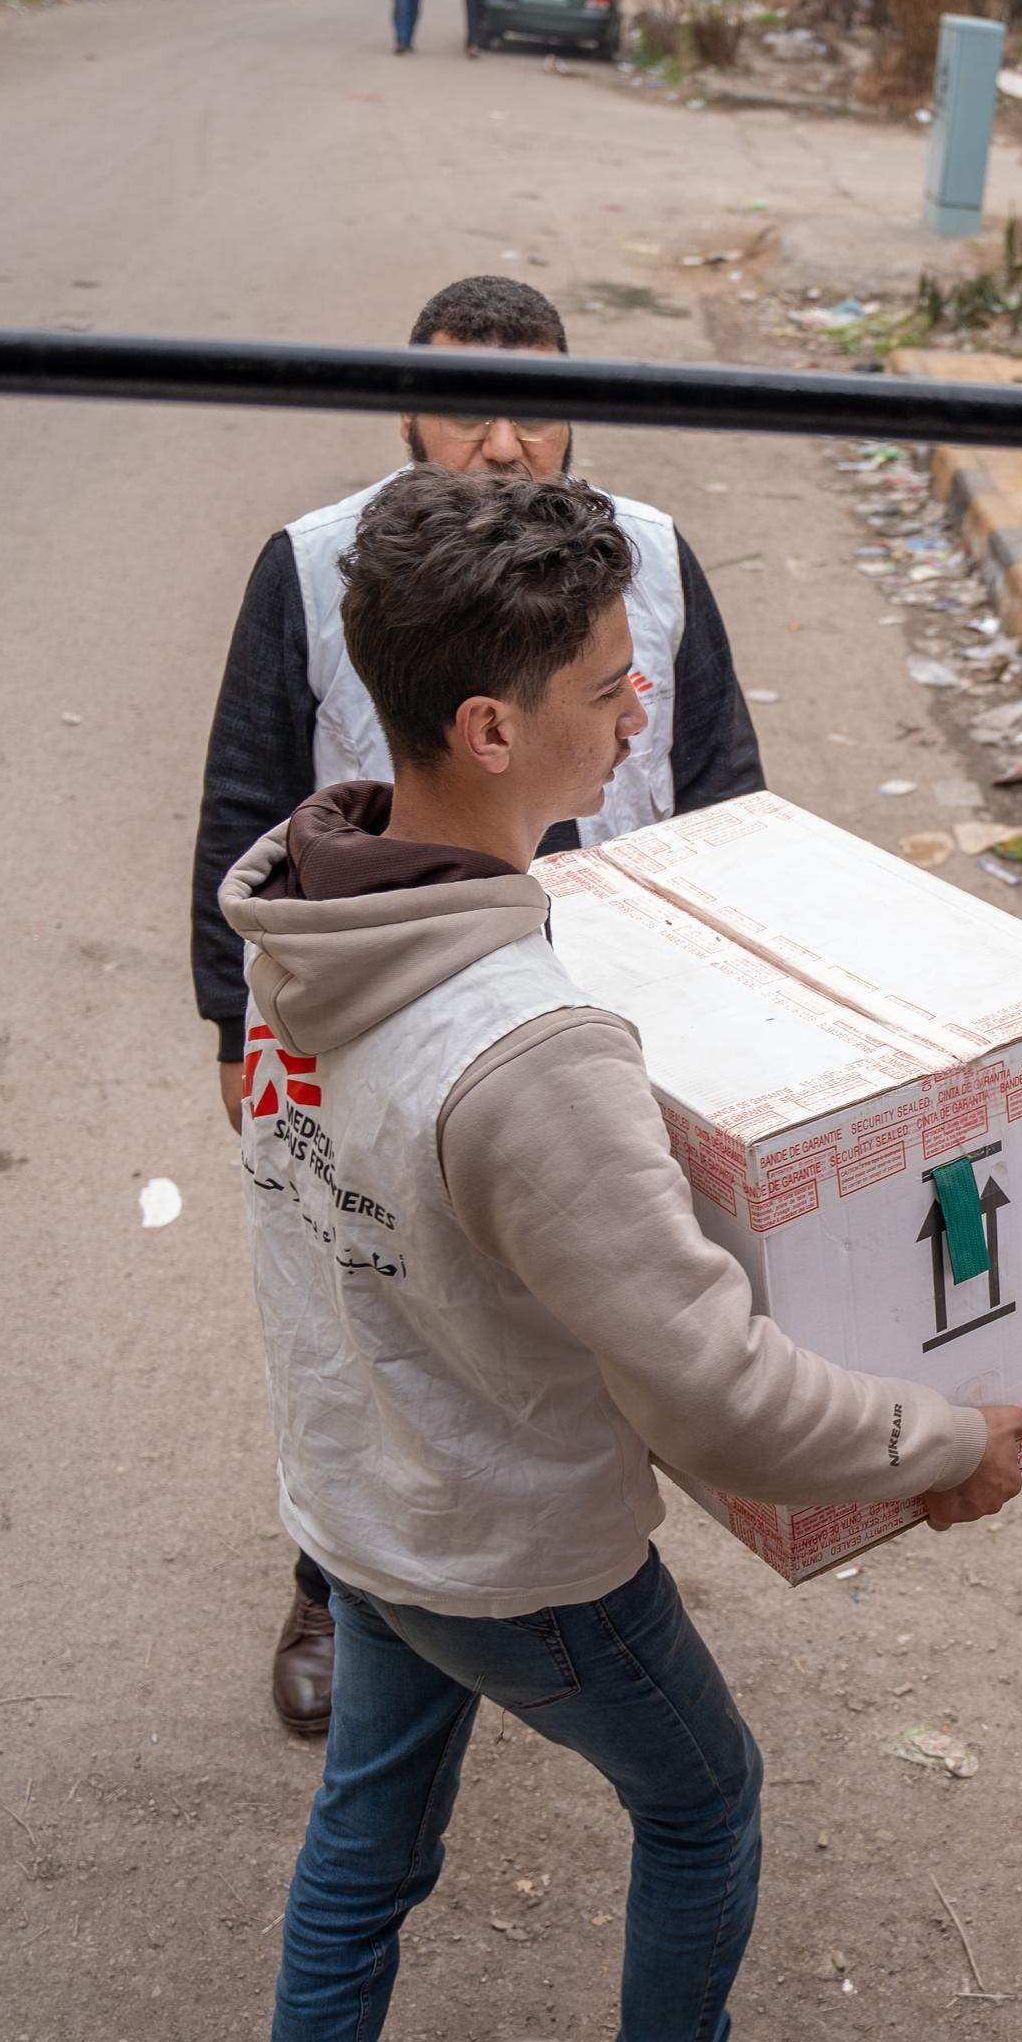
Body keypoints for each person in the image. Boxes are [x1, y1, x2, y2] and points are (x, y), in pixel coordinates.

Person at [224, 466, 1022, 2042]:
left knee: (368, 1834)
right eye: (608, 689)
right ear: (490, 723)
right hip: (521, 1553)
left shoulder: (306, 913)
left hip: (367, 1496)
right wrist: (949, 1445)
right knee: (703, 1792)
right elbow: (719, 1395)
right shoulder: (526, 1051)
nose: (639, 711)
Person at [193, 270, 764, 1733]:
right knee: (363, 1305)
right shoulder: (319, 568)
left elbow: (729, 798)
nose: (504, 444)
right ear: (405, 415)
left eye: (539, 408)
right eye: (463, 408)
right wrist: (233, 1036)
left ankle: (563, 1577)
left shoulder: (654, 561)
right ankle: (335, 1581)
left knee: (586, 1308)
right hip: (391, 1031)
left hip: (594, 1019)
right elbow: (241, 808)